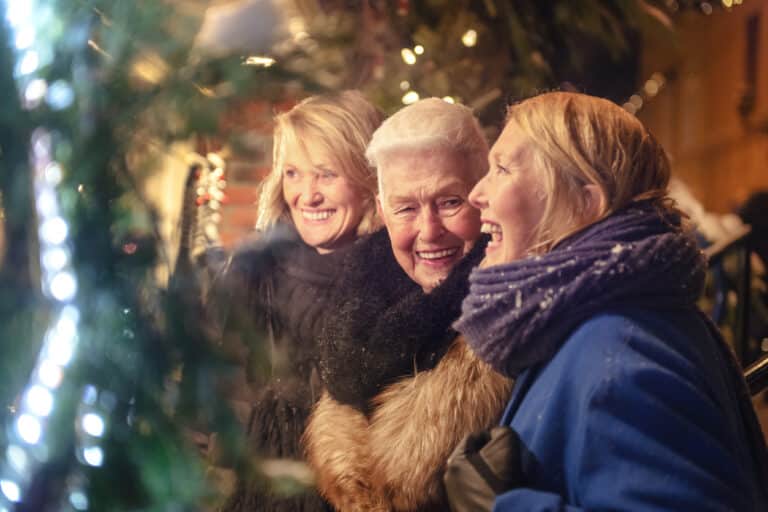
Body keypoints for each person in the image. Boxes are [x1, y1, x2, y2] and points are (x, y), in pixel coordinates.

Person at [444, 91, 768, 511]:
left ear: (585, 202)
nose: (477, 194)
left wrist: (504, 506)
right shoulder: (599, 320)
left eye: (502, 169)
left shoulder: (620, 353)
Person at [302, 98, 512, 511]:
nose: (429, 231)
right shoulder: (348, 329)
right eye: (406, 209)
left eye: (450, 202)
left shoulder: (522, 321)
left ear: (485, 195)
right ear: (383, 212)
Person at [207, 90, 383, 512]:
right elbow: (207, 418)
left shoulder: (401, 289)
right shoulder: (249, 279)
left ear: (370, 179)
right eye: (293, 174)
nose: (307, 194)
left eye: (326, 174)